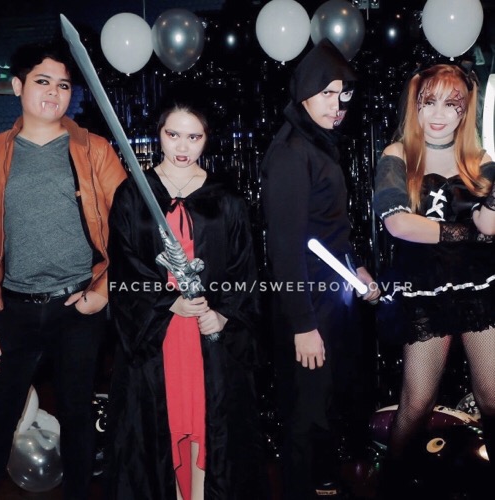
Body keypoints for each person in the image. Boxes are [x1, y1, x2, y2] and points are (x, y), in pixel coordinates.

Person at [104, 103, 269, 500]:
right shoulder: (133, 194)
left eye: (194, 137)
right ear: (158, 134)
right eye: (172, 135)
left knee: (209, 427)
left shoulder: (225, 197)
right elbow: (124, 264)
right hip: (156, 334)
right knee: (162, 427)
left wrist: (223, 314)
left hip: (207, 336)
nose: (182, 147)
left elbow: (244, 266)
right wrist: (167, 301)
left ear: (206, 139)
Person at [0, 42, 127, 499]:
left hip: (76, 307)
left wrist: (104, 290)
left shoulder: (94, 150)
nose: (54, 92)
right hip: (10, 310)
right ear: (17, 86)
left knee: (76, 416)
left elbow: (130, 229)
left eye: (64, 85)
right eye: (42, 81)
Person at [260, 38, 381, 500]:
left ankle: (326, 486)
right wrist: (303, 325)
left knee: (325, 408)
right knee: (305, 415)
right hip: (307, 306)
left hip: (332, 300)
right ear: (304, 92)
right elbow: (285, 248)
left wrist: (358, 270)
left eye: (342, 94)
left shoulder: (318, 143)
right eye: (326, 93)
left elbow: (329, 231)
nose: (337, 105)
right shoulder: (291, 152)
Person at [373, 63, 495, 496]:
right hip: (423, 288)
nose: (439, 114)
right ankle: (392, 489)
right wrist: (466, 233)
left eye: (451, 104)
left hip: (478, 287)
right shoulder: (398, 154)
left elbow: (490, 225)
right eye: (429, 102)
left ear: (465, 111)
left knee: (493, 397)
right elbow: (398, 223)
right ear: (416, 105)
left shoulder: (479, 160)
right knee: (419, 401)